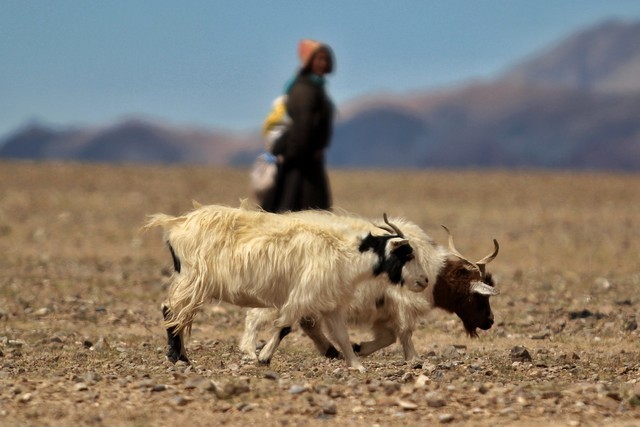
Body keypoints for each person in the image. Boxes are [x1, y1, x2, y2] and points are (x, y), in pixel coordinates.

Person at [260, 39, 335, 213]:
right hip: (299, 163)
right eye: (319, 59)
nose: (323, 64)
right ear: (309, 61)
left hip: (306, 160)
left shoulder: (315, 88)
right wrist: (297, 153)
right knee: (298, 212)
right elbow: (303, 125)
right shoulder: (304, 90)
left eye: (326, 59)